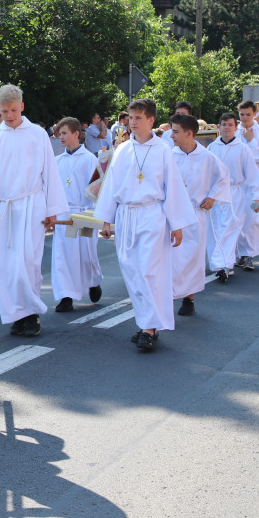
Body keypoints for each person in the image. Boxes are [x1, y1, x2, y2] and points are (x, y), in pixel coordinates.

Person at [94, 98, 195, 352]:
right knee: (132, 271)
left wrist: (177, 224)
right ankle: (145, 323)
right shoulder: (122, 150)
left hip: (152, 214)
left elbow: (172, 188)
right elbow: (112, 185)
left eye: (139, 118)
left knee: (150, 271)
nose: (133, 122)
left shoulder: (163, 150)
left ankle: (150, 328)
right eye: (131, 117)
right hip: (127, 216)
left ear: (151, 120)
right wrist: (106, 219)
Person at [0, 84, 67, 338]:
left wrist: (53, 209)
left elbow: (50, 173)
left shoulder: (37, 134)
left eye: (14, 110)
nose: (10, 116)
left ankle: (31, 313)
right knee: (6, 265)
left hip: (32, 205)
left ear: (22, 106)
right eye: (4, 111)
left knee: (29, 262)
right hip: (4, 208)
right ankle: (15, 313)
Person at [169, 114, 232, 316]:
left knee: (192, 258)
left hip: (195, 214)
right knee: (171, 258)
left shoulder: (207, 156)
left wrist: (212, 196)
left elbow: (224, 178)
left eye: (176, 131)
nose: (171, 135)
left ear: (189, 133)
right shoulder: (170, 156)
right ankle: (167, 297)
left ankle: (189, 298)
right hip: (173, 215)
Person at [50, 117, 102, 312]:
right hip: (63, 215)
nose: (61, 137)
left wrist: (94, 214)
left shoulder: (90, 159)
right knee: (63, 256)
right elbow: (52, 189)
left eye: (64, 133)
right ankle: (66, 296)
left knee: (86, 255)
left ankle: (93, 281)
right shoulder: (57, 161)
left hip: (85, 213)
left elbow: (96, 189)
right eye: (59, 133)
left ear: (76, 134)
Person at [208, 113, 259, 272]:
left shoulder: (242, 149)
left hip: (235, 194)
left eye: (230, 125)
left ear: (236, 128)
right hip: (216, 195)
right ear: (219, 127)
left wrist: (257, 198)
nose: (226, 128)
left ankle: (224, 265)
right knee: (217, 229)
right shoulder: (212, 148)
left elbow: (252, 174)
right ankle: (225, 262)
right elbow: (205, 173)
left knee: (230, 228)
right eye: (223, 124)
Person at [237, 100, 259, 263]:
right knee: (237, 215)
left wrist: (251, 141)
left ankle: (248, 254)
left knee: (253, 216)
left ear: (255, 114)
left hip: (255, 179)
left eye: (248, 114)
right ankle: (236, 252)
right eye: (242, 114)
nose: (244, 118)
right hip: (237, 179)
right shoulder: (234, 131)